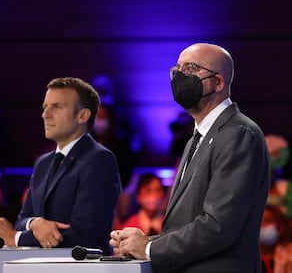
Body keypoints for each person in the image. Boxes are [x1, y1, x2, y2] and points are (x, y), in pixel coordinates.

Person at [110, 43, 270, 272]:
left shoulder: (238, 134)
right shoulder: (198, 138)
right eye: (177, 70)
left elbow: (219, 226)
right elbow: (185, 224)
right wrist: (144, 241)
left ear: (218, 83)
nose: (180, 77)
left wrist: (149, 249)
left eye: (191, 68)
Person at [0, 77, 122, 254]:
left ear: (82, 115)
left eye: (57, 106)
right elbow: (23, 219)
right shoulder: (43, 163)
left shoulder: (99, 159)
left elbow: (84, 235)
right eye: (45, 107)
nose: (45, 114)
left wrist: (16, 237)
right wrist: (36, 223)